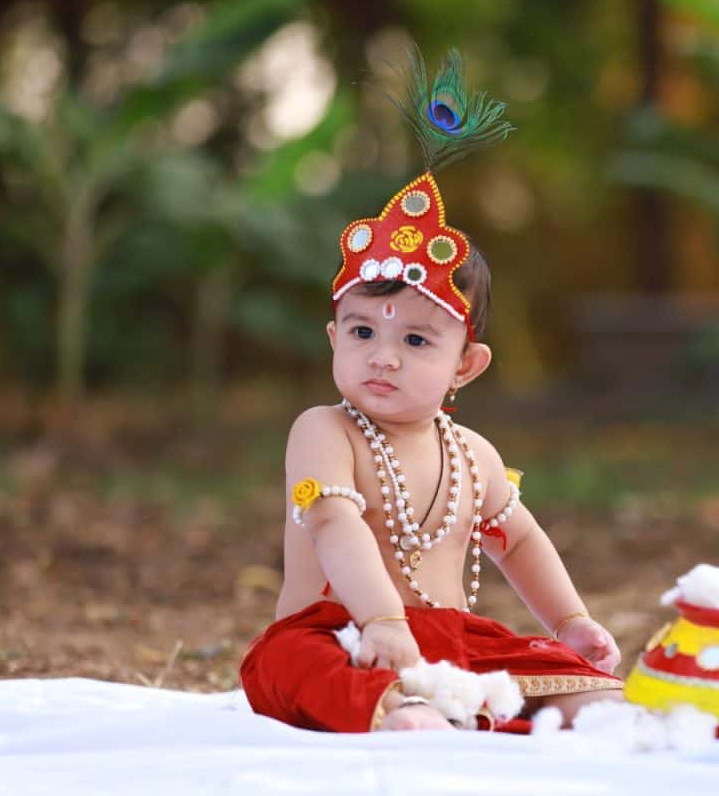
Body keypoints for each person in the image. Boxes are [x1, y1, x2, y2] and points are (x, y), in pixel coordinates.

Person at [239, 52, 624, 734]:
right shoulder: (325, 432)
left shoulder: (472, 453)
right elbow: (334, 524)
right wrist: (382, 620)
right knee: (295, 666)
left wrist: (570, 620)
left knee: (568, 680)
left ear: (466, 368)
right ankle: (401, 711)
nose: (381, 355)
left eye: (416, 341)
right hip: (341, 632)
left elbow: (521, 540)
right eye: (361, 331)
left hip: (450, 642)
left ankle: (536, 704)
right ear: (334, 339)